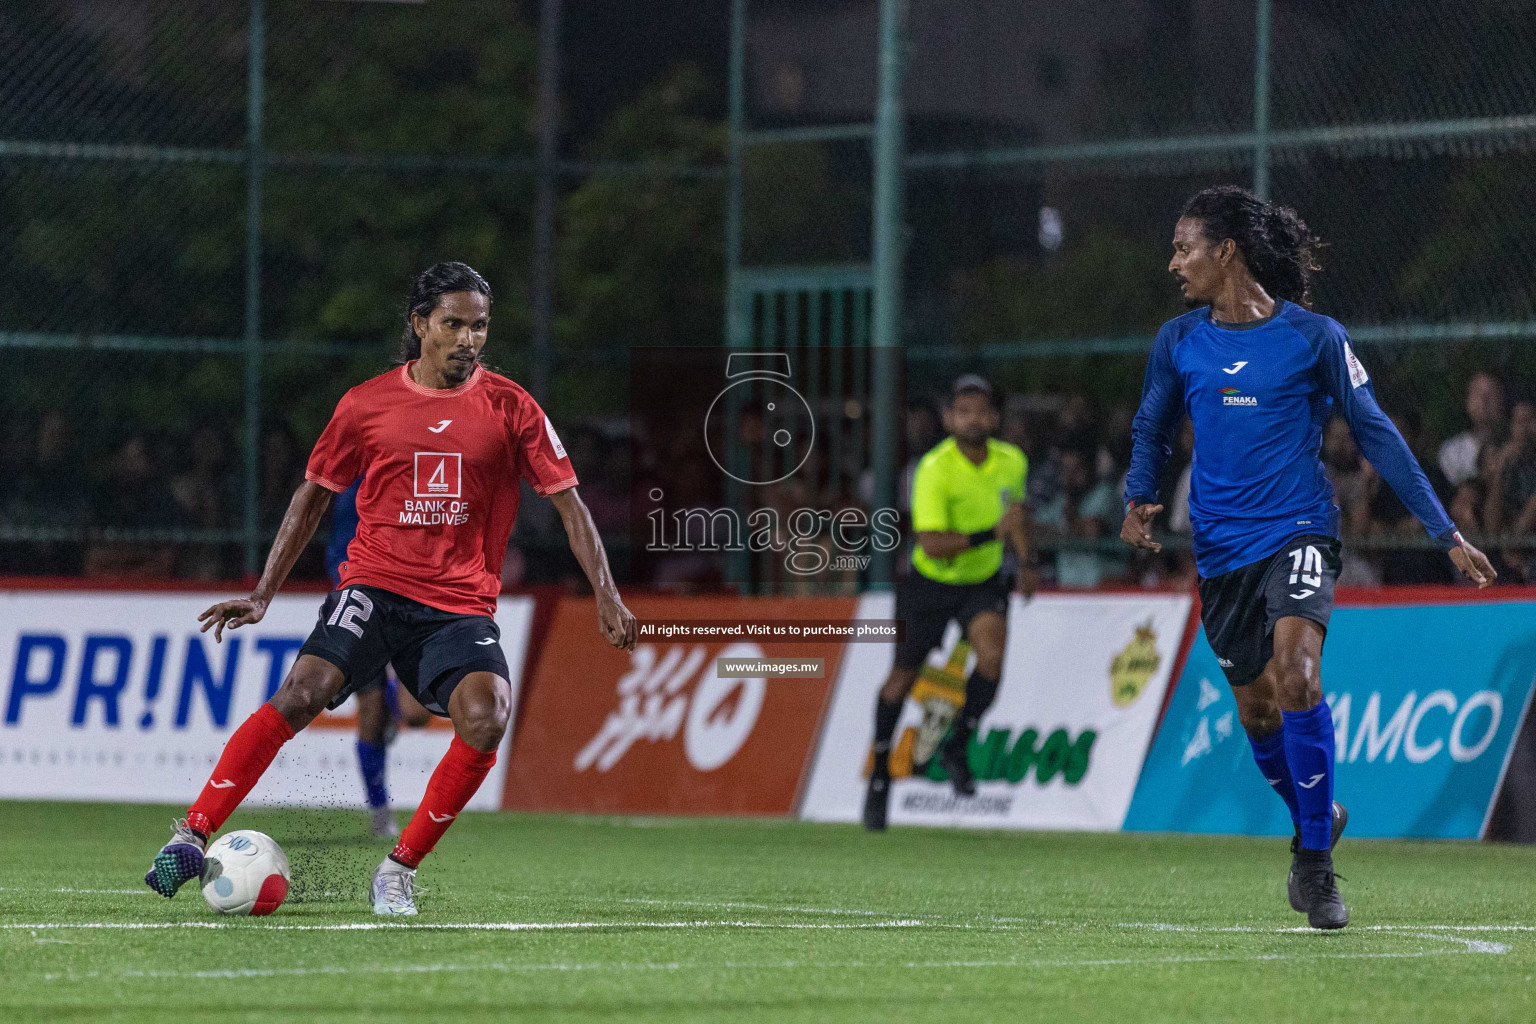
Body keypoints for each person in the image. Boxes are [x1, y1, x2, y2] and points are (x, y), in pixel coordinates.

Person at [143, 262, 636, 915]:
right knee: (304, 692)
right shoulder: (366, 405)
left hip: (458, 605)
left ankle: (397, 869)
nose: (467, 339)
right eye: (454, 324)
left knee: (488, 717)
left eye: (479, 326)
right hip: (375, 585)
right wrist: (263, 592)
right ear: (420, 325)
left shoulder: (512, 408)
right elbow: (311, 498)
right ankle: (192, 832)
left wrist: (606, 593)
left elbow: (570, 506)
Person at [1120, 186, 1495, 930]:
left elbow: (1378, 433)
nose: (1173, 263)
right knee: (1257, 711)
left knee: (1297, 676)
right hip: (1221, 550)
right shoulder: (1179, 341)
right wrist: (1139, 496)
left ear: (1225, 251)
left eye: (1183, 247)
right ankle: (1316, 815)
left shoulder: (1315, 337)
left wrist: (1444, 532)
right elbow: (1151, 425)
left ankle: (1317, 867)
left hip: (1298, 531)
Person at [863, 375, 1035, 831]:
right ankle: (880, 770)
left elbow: (1015, 514)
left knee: (992, 660)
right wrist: (990, 535)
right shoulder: (934, 468)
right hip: (930, 583)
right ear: (948, 419)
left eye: (981, 410)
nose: (973, 418)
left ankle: (958, 744)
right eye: (963, 410)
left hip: (982, 581)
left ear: (994, 418)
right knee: (902, 677)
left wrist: (1028, 560)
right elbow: (932, 543)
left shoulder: (1011, 461)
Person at [324, 477, 434, 838]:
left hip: (411, 601)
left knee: (417, 714)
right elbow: (339, 550)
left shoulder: (417, 474)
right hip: (362, 598)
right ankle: (379, 811)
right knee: (369, 713)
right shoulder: (355, 488)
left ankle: (392, 700)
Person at [1438, 372, 1505, 487]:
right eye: (1478, 394)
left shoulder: (1510, 447)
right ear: (1468, 401)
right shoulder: (1451, 451)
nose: (1484, 401)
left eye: (1491, 394)